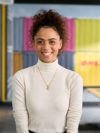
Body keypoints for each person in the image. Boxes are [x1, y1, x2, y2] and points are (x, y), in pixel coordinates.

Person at [12, 9, 83, 133]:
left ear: (60, 43)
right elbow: (20, 116)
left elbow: (74, 117)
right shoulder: (21, 77)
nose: (46, 47)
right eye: (40, 41)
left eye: (52, 41)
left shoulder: (73, 78)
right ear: (34, 43)